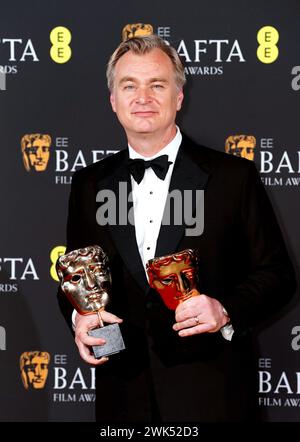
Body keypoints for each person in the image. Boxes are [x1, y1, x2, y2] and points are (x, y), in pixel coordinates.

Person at [58, 34, 296, 422]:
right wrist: (79, 317)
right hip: (124, 399)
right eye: (129, 85)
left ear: (179, 97)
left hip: (213, 398)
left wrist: (224, 309)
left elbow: (278, 275)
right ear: (113, 100)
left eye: (158, 84)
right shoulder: (89, 184)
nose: (143, 97)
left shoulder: (232, 177)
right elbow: (76, 275)